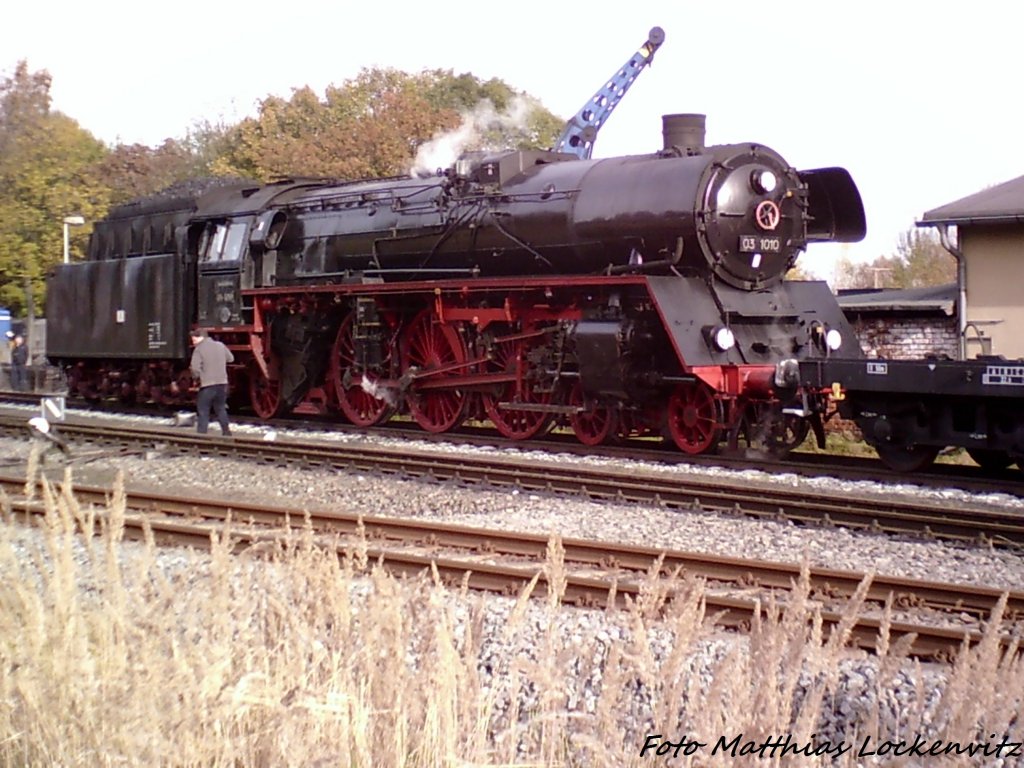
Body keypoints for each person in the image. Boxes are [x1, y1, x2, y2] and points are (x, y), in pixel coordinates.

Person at [189, 328, 234, 436]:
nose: (193, 341)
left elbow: (195, 368)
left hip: (208, 385)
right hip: (222, 384)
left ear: (201, 337)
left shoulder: (199, 349)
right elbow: (231, 358)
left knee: (203, 409)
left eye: (194, 339)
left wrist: (196, 378)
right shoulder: (220, 345)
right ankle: (226, 432)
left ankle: (202, 434)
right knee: (220, 408)